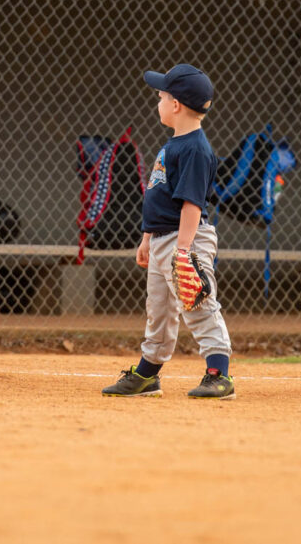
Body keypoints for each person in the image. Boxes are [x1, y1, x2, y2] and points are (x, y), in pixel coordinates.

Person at [101, 64, 234, 399]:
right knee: (159, 311)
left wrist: (184, 250)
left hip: (185, 239)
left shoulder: (195, 150)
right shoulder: (174, 144)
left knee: (198, 305)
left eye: (161, 97)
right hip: (163, 239)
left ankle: (219, 374)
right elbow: (158, 199)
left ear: (175, 105)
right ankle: (147, 375)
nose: (157, 102)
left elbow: (192, 205)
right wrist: (147, 239)